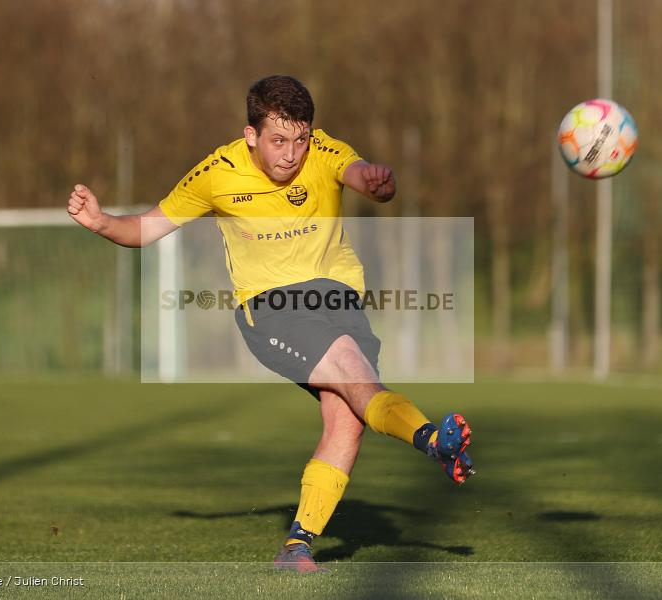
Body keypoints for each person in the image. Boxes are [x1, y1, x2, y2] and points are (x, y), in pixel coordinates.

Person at [67, 75, 473, 573]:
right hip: (273, 305)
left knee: (348, 417)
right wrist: (101, 220)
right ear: (251, 135)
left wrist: (376, 183)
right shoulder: (216, 172)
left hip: (340, 297)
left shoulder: (322, 150)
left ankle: (298, 545)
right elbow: (148, 227)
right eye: (279, 141)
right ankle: (432, 439)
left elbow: (359, 173)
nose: (292, 154)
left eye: (300, 140)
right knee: (353, 374)